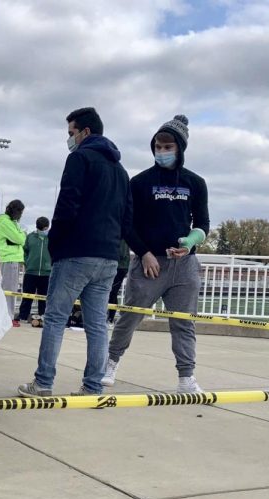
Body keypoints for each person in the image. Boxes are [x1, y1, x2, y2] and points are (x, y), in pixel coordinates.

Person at [18, 107, 131, 397]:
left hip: (76, 252)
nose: (69, 139)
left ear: (85, 132)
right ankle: (93, 385)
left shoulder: (79, 158)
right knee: (97, 325)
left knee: (55, 318)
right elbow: (127, 216)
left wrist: (55, 243)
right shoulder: (120, 170)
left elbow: (67, 204)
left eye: (71, 133)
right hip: (107, 256)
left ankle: (43, 382)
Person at [103, 114, 209, 393]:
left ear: (180, 148)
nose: (162, 152)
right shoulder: (139, 182)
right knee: (130, 317)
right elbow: (127, 224)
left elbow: (203, 223)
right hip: (149, 264)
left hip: (184, 265)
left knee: (183, 323)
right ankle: (110, 361)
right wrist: (144, 253)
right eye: (158, 147)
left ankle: (186, 377)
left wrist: (190, 242)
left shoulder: (195, 183)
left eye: (168, 147)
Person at [0, 199, 26, 325]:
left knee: (9, 288)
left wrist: (21, 234)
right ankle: (8, 317)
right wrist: (21, 233)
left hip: (12, 259)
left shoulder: (10, 222)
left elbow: (20, 238)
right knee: (10, 289)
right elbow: (21, 239)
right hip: (10, 258)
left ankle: (7, 316)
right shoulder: (6, 223)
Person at [18, 216, 51, 327]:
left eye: (46, 229)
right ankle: (22, 317)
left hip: (46, 273)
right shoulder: (30, 237)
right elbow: (24, 251)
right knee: (27, 296)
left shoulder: (51, 238)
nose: (44, 231)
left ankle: (43, 318)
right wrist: (27, 263)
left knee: (44, 298)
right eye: (43, 229)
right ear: (38, 228)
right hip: (31, 272)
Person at [107, 239, 131, 326]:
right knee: (111, 292)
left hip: (120, 267)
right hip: (117, 265)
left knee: (112, 292)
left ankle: (110, 318)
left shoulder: (121, 236)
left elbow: (122, 253)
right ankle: (109, 318)